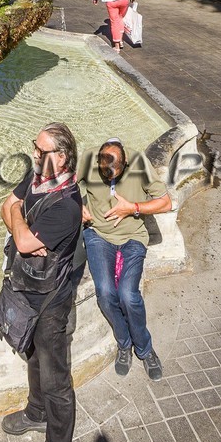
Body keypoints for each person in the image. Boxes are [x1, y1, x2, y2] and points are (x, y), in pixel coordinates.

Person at [0, 124, 85, 442]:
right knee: (31, 355)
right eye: (34, 147)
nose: (34, 154)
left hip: (51, 301)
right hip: (27, 286)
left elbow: (20, 236)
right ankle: (36, 413)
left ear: (61, 158)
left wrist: (21, 228)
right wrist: (22, 227)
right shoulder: (37, 176)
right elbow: (6, 207)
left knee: (57, 383)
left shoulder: (67, 206)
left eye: (41, 149)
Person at [81, 141, 170, 381]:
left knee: (128, 295)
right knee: (106, 292)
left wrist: (133, 208)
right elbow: (64, 185)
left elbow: (166, 202)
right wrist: (78, 205)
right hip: (98, 234)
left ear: (125, 163)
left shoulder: (139, 163)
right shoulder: (88, 159)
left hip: (132, 237)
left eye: (115, 174)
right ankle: (124, 343)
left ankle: (145, 348)